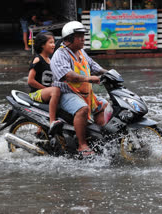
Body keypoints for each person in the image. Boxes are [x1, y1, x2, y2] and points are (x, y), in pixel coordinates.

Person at [50, 21, 108, 157]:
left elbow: (94, 66)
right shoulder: (60, 55)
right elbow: (69, 76)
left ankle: (96, 138)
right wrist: (88, 79)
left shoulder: (81, 52)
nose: (83, 39)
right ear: (69, 39)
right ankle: (82, 145)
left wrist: (109, 73)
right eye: (79, 36)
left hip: (85, 92)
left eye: (83, 36)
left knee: (104, 105)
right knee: (83, 109)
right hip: (66, 93)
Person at [28, 31, 63, 134]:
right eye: (51, 43)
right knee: (56, 91)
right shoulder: (38, 59)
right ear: (43, 45)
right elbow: (30, 80)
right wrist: (45, 89)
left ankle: (40, 134)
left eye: (54, 42)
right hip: (36, 93)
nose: (53, 45)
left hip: (48, 93)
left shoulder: (51, 60)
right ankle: (52, 122)